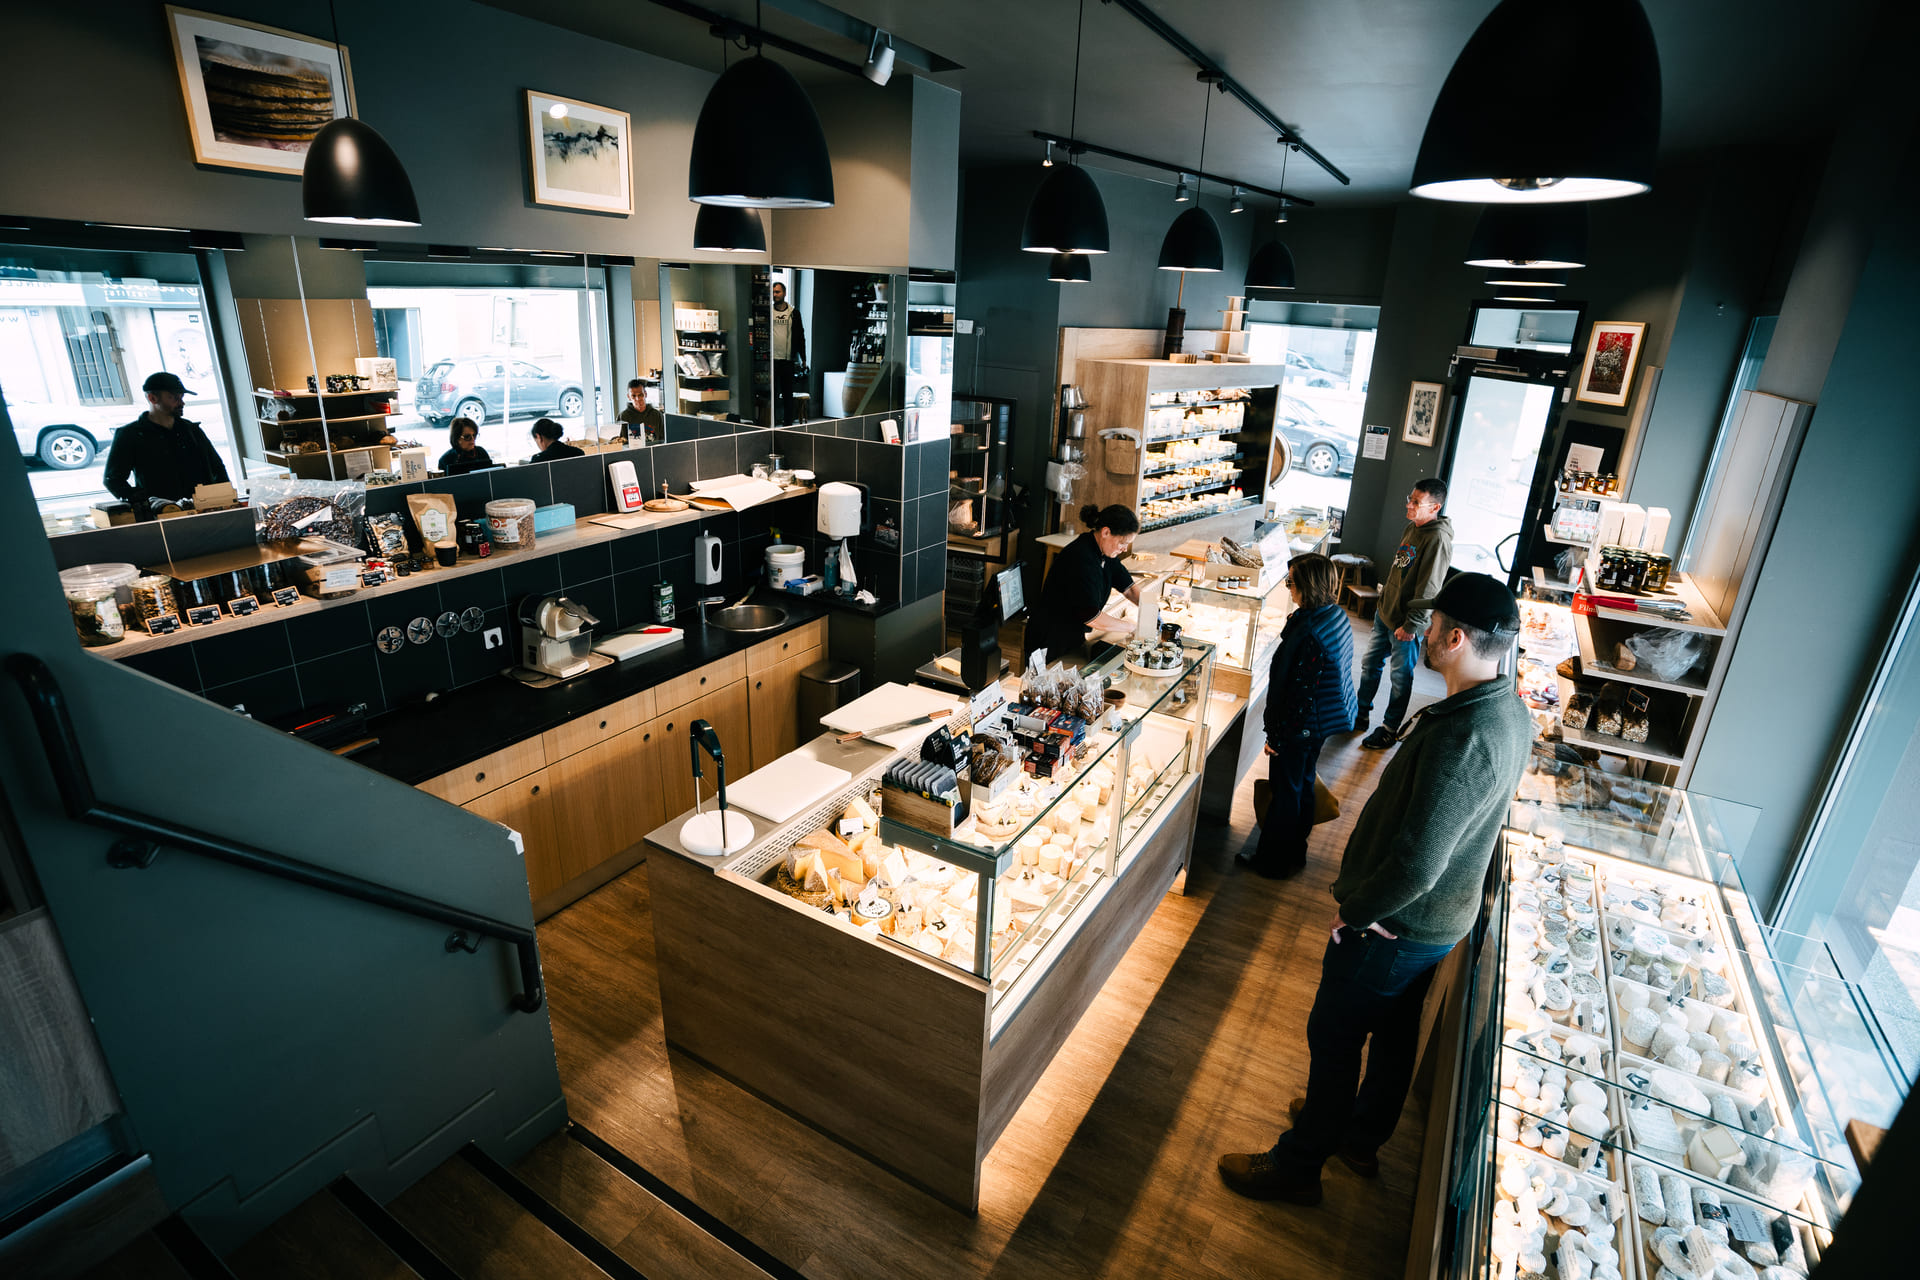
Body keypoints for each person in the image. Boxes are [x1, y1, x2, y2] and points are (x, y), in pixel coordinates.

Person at [1218, 572, 1534, 1206]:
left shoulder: (1463, 737)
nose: (1420, 634)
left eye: (1430, 624)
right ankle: (1356, 1137)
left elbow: (1417, 863)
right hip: (1435, 922)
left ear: (1454, 637)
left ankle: (1300, 1164)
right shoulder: (1504, 707)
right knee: (1392, 1038)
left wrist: (1357, 913)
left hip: (1397, 925)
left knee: (1334, 1040)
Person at [1241, 554, 1356, 880]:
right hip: (1321, 722)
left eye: (1292, 582)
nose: (1288, 587)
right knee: (1302, 784)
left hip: (1302, 727)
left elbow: (1300, 695)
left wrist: (1277, 736)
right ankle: (1295, 851)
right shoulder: (1333, 614)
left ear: (1308, 585)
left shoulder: (1309, 634)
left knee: (1286, 793)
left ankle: (1272, 863)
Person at [1355, 478, 1453, 749]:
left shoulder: (1437, 539)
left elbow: (1429, 587)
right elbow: (1399, 571)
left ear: (1435, 507)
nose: (1408, 505)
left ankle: (1389, 728)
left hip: (1405, 624)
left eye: (1416, 502)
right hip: (1385, 614)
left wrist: (1412, 625)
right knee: (1369, 665)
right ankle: (1360, 714)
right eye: (1409, 499)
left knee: (1400, 677)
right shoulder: (1414, 527)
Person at [103, 371, 229, 518]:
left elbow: (217, 467)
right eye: (174, 398)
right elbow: (113, 479)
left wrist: (224, 500)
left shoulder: (191, 430)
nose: (182, 403)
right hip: (161, 515)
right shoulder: (131, 435)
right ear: (152, 398)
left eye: (182, 397)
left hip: (203, 511)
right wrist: (145, 502)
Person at [1028, 504, 1140, 667]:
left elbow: (1128, 588)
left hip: (1072, 635)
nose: (1124, 549)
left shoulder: (1106, 552)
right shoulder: (1081, 558)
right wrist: (1130, 627)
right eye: (1123, 543)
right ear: (1106, 532)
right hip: (1050, 640)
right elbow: (1092, 617)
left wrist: (1151, 609)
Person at [770, 279, 805, 425]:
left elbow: (800, 336)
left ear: (784, 293)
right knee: (771, 393)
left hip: (788, 360)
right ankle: (771, 421)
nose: (774, 295)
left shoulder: (794, 313)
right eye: (772, 292)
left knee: (787, 394)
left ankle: (788, 424)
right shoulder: (768, 312)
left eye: (777, 292)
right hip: (772, 359)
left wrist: (804, 358)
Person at [618, 379, 662, 444]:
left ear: (645, 394)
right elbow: (621, 443)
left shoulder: (657, 415)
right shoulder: (623, 417)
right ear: (629, 397)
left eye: (640, 395)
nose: (638, 399)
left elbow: (663, 439)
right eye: (633, 396)